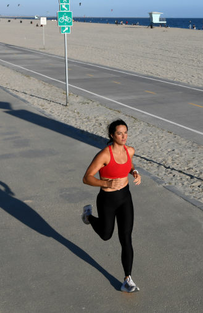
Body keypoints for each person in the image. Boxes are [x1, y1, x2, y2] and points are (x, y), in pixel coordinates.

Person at [82, 119, 142, 293]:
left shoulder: (130, 150)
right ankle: (88, 216)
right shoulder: (104, 155)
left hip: (125, 198)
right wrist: (105, 184)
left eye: (125, 132)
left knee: (126, 238)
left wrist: (134, 172)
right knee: (106, 235)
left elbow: (128, 164)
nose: (124, 136)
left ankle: (127, 279)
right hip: (107, 200)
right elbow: (86, 177)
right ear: (111, 135)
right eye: (119, 133)